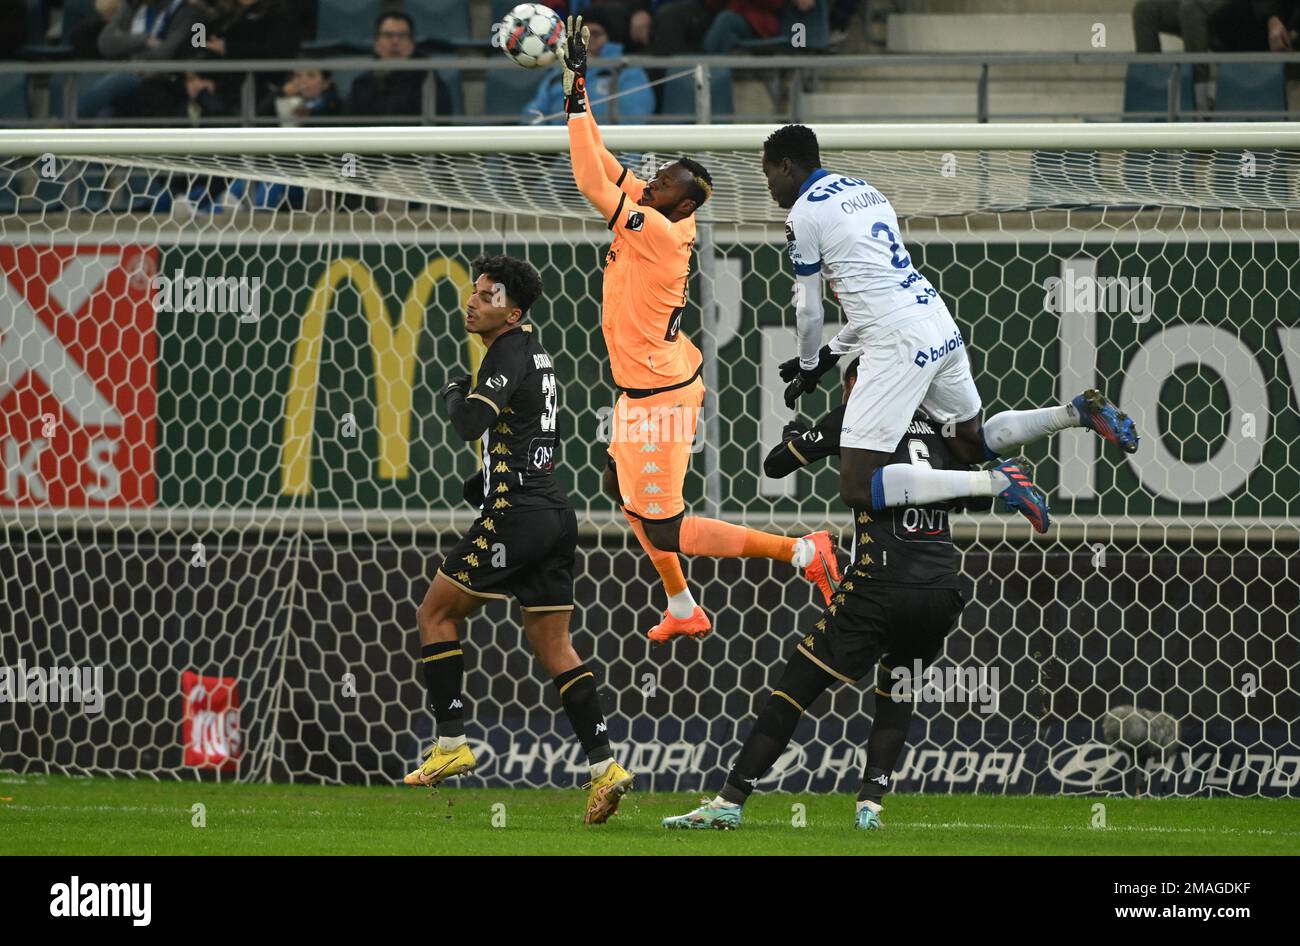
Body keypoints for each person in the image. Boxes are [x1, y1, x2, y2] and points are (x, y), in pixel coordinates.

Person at [561, 16, 840, 644]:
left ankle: (802, 553)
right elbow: (602, 165)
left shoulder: (659, 231)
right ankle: (683, 606)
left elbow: (586, 182)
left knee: (664, 528)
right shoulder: (660, 209)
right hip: (647, 384)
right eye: (654, 181)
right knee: (618, 484)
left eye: (662, 185)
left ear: (684, 206)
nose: (650, 185)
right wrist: (578, 95)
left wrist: (575, 88)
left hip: (659, 395)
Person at [763, 123, 1141, 535]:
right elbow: (877, 293)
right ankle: (1074, 413)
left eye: (768, 176)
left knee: (858, 485)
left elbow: (810, 310)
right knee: (968, 442)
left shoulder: (803, 215)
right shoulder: (864, 190)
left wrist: (807, 360)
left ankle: (998, 482)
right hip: (936, 322)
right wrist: (830, 355)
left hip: (897, 343)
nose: (769, 188)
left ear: (786, 166)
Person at [663, 359, 980, 830]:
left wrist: (801, 437)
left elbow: (775, 465)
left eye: (846, 384)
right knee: (897, 688)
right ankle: (870, 808)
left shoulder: (858, 415)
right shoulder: (939, 425)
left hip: (880, 585)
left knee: (793, 689)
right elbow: (973, 490)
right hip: (942, 589)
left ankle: (729, 801)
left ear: (857, 383)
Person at [403, 255, 634, 826]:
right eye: (474, 291)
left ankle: (452, 741)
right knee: (554, 646)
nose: (474, 301)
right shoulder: (535, 354)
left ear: (515, 311)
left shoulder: (505, 353)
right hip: (554, 512)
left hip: (518, 516)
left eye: (488, 295)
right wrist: (489, 476)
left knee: (435, 614)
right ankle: (605, 766)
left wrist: (457, 391)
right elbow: (530, 433)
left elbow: (469, 424)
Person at [522, 9, 654, 124]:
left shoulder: (628, 72)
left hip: (609, 150)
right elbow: (533, 116)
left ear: (609, 38)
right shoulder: (557, 75)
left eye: (596, 34)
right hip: (558, 150)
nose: (588, 40)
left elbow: (633, 121)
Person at [80, 0, 207, 118]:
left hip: (159, 79)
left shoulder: (183, 11)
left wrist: (130, 54)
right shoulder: (133, 7)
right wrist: (144, 40)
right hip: (130, 74)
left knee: (117, 81)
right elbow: (106, 44)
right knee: (107, 114)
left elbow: (162, 54)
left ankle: (68, 123)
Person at [348, 11, 451, 122]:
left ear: (412, 44)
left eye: (402, 36)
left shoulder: (429, 81)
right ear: (376, 43)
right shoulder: (361, 84)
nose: (395, 41)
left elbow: (441, 123)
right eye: (388, 35)